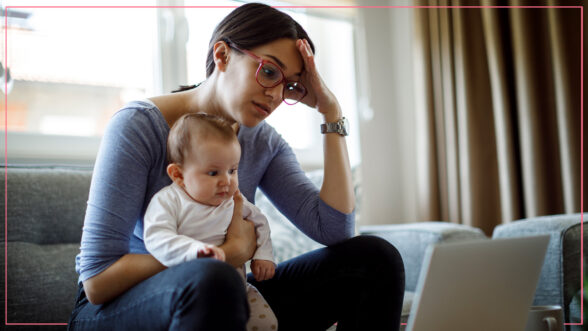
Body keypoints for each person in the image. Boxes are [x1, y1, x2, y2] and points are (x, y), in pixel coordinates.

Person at [69, 3, 405, 330]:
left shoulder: (262, 141)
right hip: (116, 307)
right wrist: (226, 253)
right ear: (222, 55)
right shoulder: (139, 125)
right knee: (211, 280)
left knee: (374, 259)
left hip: (228, 295)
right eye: (269, 72)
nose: (275, 94)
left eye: (288, 84)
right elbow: (98, 280)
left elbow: (334, 230)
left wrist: (331, 113)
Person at [143, 113, 277, 331]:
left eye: (232, 170)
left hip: (240, 288)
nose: (226, 181)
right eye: (213, 172)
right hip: (189, 290)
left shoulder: (234, 200)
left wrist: (264, 255)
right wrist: (196, 251)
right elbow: (157, 237)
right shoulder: (170, 200)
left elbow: (260, 222)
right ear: (178, 174)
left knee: (267, 323)